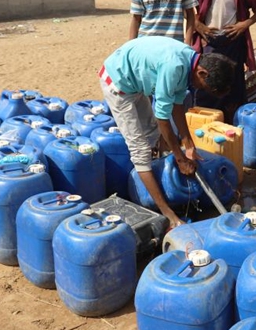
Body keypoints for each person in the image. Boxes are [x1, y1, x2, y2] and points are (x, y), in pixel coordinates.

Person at [98, 36, 235, 227]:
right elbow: (163, 117)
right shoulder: (174, 67)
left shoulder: (188, 63)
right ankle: (168, 214)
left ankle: (159, 184)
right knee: (140, 150)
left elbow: (177, 106)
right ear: (202, 72)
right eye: (205, 87)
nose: (201, 90)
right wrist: (179, 158)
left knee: (154, 135)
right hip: (117, 83)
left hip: (136, 81)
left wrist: (189, 145)